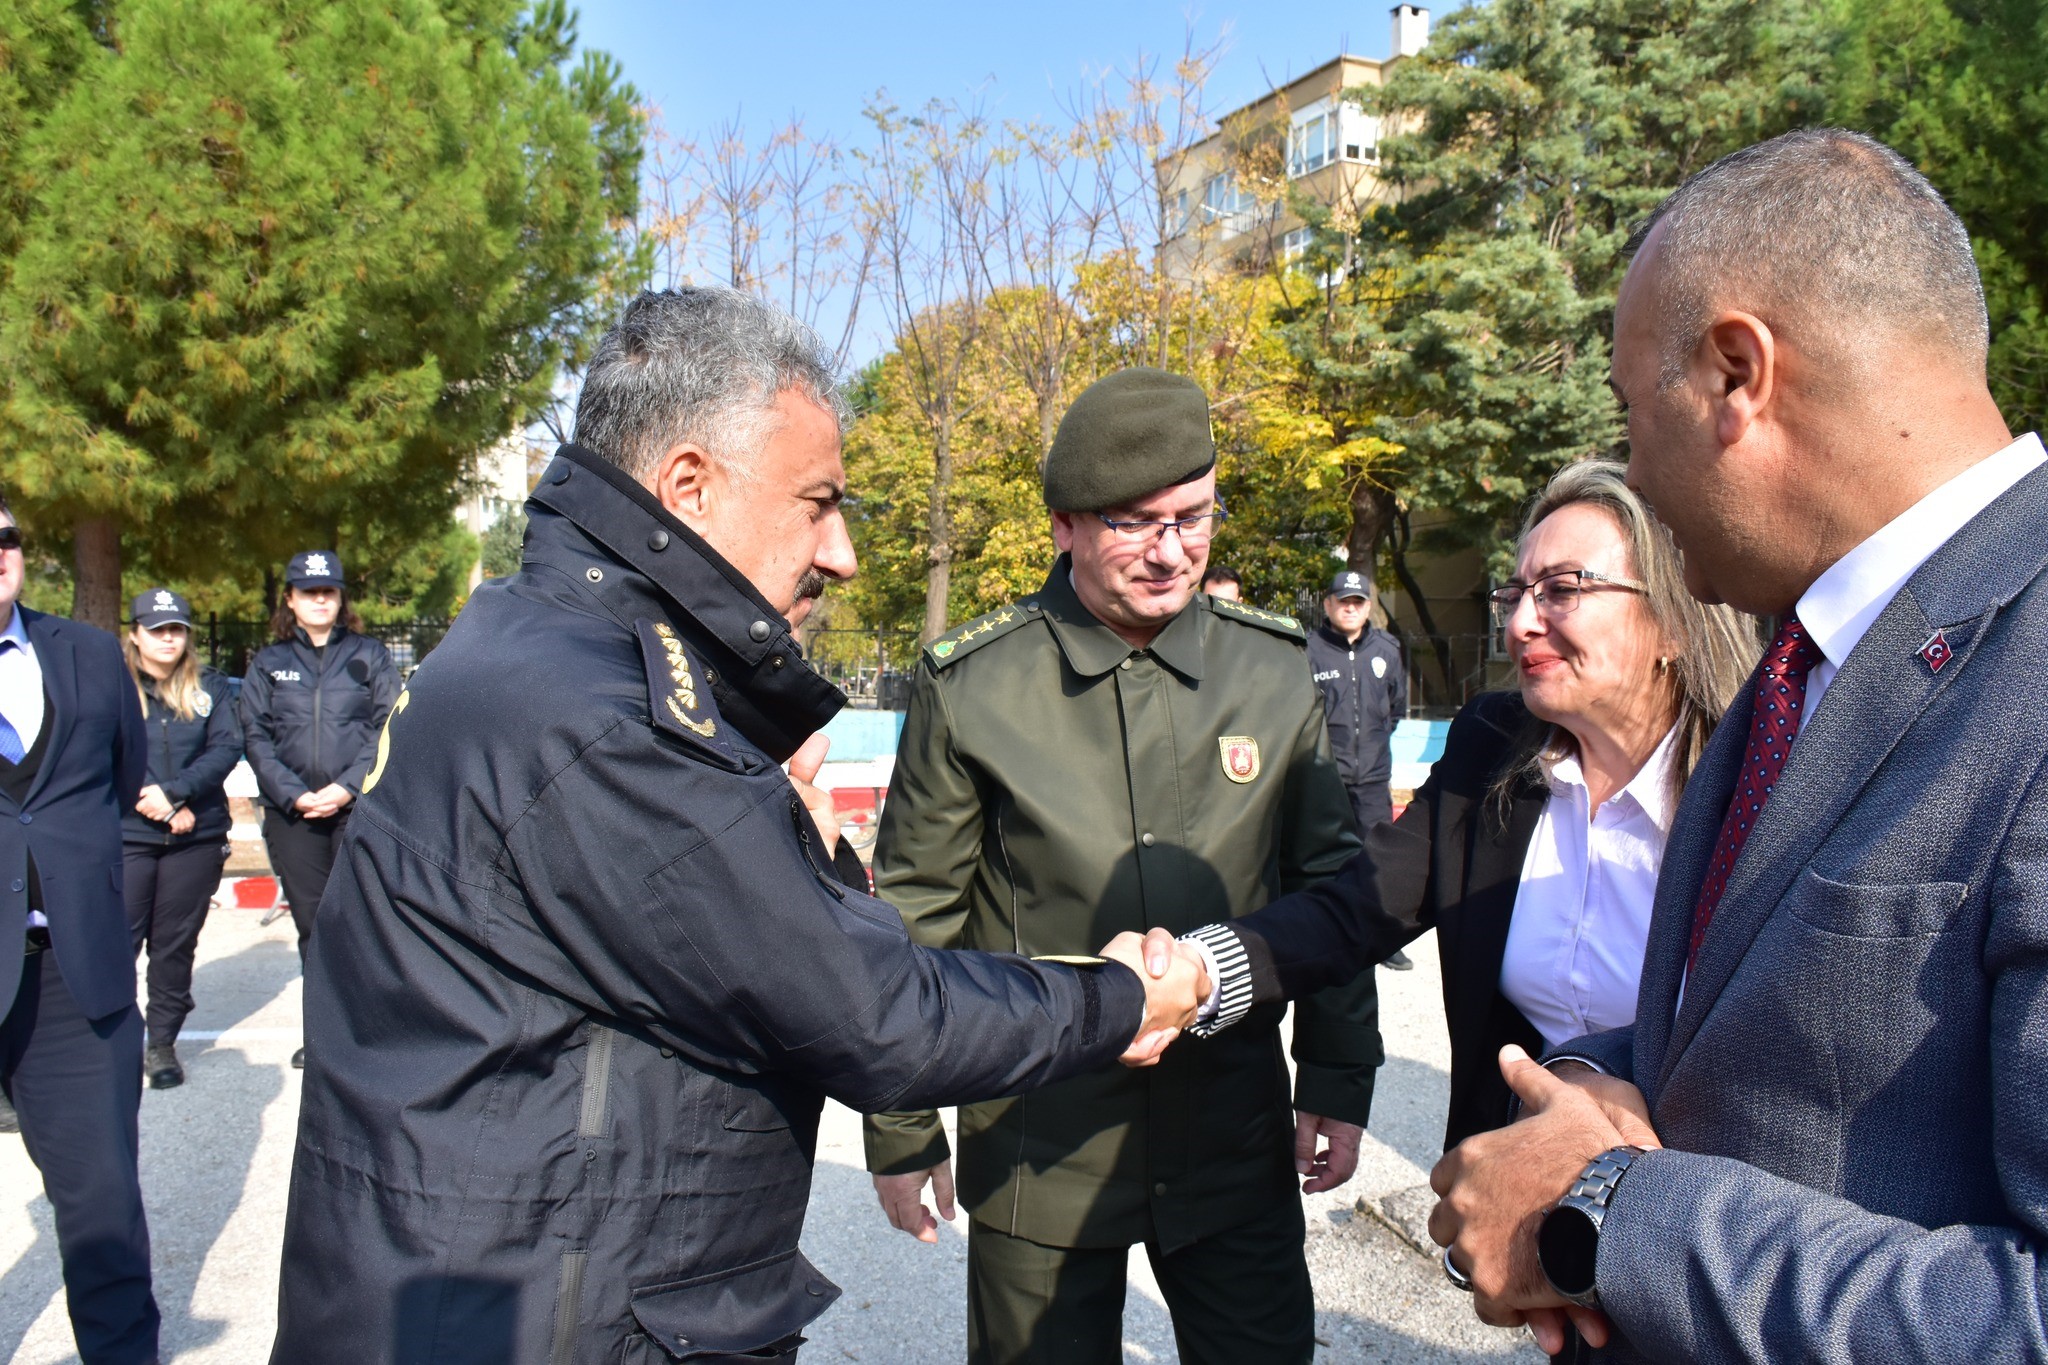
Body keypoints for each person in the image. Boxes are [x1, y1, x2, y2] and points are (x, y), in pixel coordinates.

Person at [1193, 129, 2048, 1362]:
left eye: (1629, 405)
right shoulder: (1802, 675)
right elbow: (1754, 1050)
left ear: (1734, 374)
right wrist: (1584, 1088)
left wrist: (1595, 1215)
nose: (1634, 458)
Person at [268, 288, 1207, 1365]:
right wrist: (1121, 996)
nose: (841, 552)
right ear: (687, 487)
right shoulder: (603, 721)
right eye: (818, 503)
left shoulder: (536, 645)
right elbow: (876, 1017)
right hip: (545, 1317)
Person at [864, 366, 1377, 1365]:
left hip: (1231, 1130)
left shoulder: (1271, 672)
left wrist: (1336, 1069)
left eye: (1192, 518)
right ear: (1062, 524)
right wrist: (901, 1125)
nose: (1171, 550)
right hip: (1038, 1138)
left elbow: (1331, 888)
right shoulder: (975, 688)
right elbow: (911, 921)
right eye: (1134, 523)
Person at [1154, 462, 1757, 1145]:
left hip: (1688, 1217)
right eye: (1516, 593)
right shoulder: (1491, 748)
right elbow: (1350, 912)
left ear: (1673, 622)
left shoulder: (1759, 794)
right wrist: (1193, 970)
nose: (1522, 624)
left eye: (1562, 589)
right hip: (1507, 1198)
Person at [0, 492, 160, 1362]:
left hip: (72, 977)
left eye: (6, 535)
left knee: (101, 1208)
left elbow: (121, 771)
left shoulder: (93, 656)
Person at [239, 551, 398, 1068]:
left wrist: (347, 788)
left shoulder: (369, 657)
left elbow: (388, 724)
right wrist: (293, 793)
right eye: (308, 592)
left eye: (328, 591)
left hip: (355, 811)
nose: (320, 600)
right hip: (294, 816)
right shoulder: (269, 663)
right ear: (290, 599)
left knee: (359, 923)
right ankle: (322, 1035)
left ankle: (365, 1031)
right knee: (313, 925)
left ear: (341, 598)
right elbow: (256, 737)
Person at [122, 588, 242, 1090]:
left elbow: (226, 747)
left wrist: (175, 795)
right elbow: (97, 749)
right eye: (156, 629)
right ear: (135, 635)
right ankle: (109, 1043)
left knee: (173, 947)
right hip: (126, 834)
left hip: (195, 835)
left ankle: (160, 1045)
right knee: (113, 943)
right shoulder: (111, 686)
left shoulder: (210, 686)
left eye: (176, 629)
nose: (168, 638)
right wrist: (148, 798)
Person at [1308, 567, 1414, 969]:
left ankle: (1382, 940)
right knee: (1325, 857)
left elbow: (1397, 708)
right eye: (1343, 601)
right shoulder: (1310, 649)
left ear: (1368, 607)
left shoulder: (1386, 649)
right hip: (1325, 775)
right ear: (1328, 605)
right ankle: (1325, 935)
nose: (1350, 609)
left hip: (1372, 777)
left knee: (1377, 859)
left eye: (1358, 602)